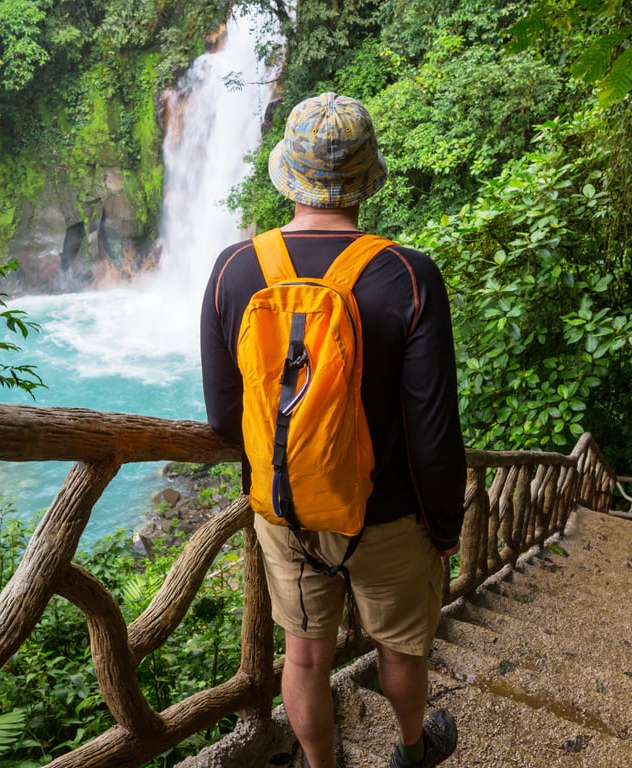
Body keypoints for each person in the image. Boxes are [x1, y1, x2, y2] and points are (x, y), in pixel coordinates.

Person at [200, 92, 466, 768]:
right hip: (391, 514)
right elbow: (432, 427)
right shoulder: (407, 274)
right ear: (365, 178)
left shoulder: (235, 269)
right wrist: (444, 527)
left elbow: (223, 417)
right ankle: (412, 750)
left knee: (306, 655)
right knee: (401, 648)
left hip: (287, 509)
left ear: (289, 172)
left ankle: (324, 765)